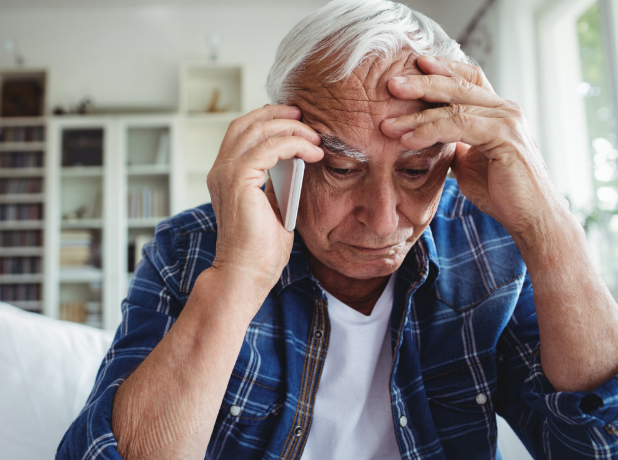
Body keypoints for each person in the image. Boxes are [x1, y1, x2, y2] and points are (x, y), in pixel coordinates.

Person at [57, 1, 618, 458]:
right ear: (283, 149)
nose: (382, 218)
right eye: (342, 169)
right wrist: (237, 275)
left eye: (417, 171)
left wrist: (548, 226)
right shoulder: (190, 248)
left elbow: (595, 448)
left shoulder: (488, 243)